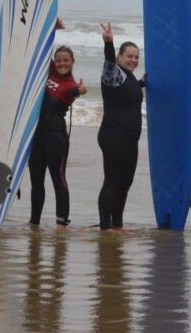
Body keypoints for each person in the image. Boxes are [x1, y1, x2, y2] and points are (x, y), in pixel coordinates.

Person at [28, 18, 87, 228]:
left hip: (56, 138)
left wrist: (79, 92)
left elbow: (73, 92)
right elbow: (42, 46)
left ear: (72, 63)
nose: (62, 63)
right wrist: (51, 28)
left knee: (58, 180)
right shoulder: (50, 72)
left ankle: (61, 223)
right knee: (36, 182)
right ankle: (34, 222)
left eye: (66, 61)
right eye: (59, 60)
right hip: (37, 137)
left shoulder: (70, 84)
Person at [96, 22, 145, 231]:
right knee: (113, 181)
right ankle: (105, 227)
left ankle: (117, 224)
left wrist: (144, 82)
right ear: (119, 57)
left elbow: (131, 90)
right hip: (114, 135)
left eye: (136, 57)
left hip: (129, 139)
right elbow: (108, 62)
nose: (133, 60)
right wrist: (109, 43)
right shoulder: (112, 74)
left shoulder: (131, 78)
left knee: (125, 183)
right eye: (129, 56)